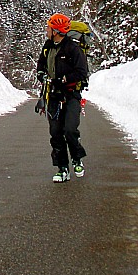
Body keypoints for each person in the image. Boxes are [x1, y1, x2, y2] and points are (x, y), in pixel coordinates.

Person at [36, 13, 88, 183]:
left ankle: (76, 158)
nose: (46, 30)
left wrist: (63, 80)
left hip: (71, 95)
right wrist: (42, 75)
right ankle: (62, 167)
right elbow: (41, 65)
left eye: (49, 27)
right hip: (52, 95)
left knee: (70, 129)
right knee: (56, 133)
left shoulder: (73, 48)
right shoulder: (48, 46)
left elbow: (81, 72)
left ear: (56, 30)